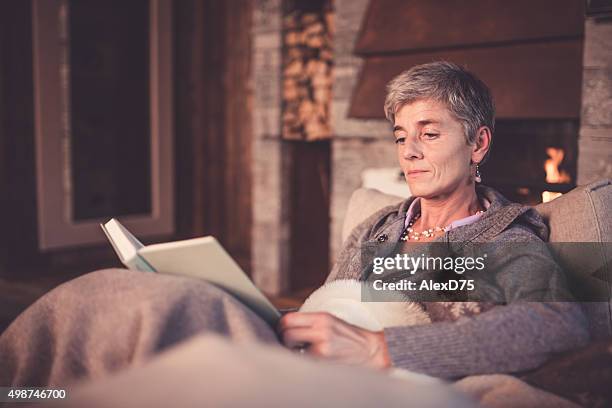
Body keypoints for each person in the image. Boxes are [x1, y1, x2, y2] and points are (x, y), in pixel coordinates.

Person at [0, 62, 589, 387]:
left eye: (429, 134)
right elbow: (332, 299)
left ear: (479, 142)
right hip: (293, 345)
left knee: (152, 312)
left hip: (357, 376)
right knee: (117, 296)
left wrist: (384, 349)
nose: (409, 152)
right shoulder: (384, 225)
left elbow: (557, 324)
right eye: (402, 137)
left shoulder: (506, 235)